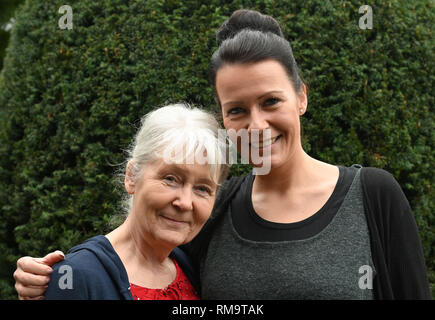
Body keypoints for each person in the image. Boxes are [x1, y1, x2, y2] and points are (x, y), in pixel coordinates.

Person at [14, 10, 431, 300]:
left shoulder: (373, 195)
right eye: (237, 110)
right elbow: (140, 261)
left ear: (301, 97)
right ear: (223, 118)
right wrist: (52, 278)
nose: (256, 126)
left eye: (271, 101)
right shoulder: (215, 208)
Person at [14, 103, 229, 300]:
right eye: (170, 179)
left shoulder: (196, 268)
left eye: (202, 188)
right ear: (131, 177)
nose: (184, 202)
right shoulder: (74, 276)